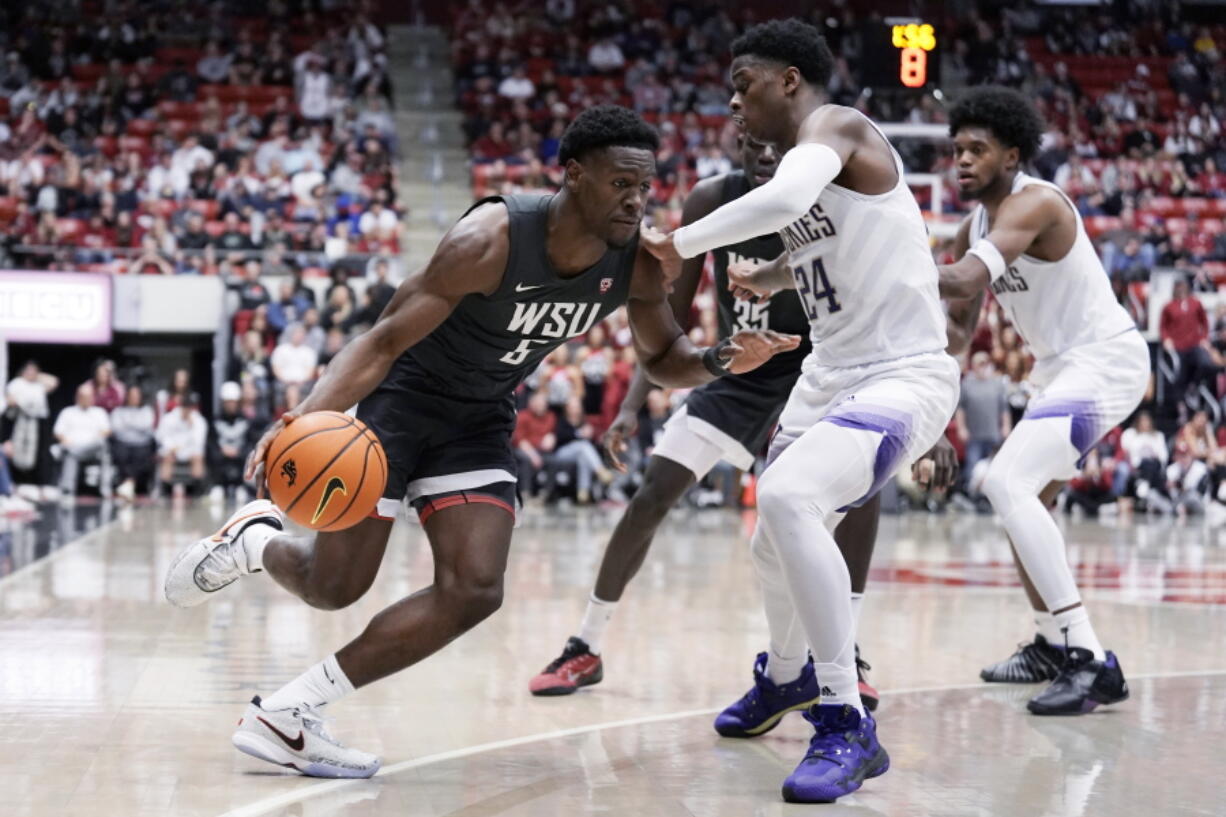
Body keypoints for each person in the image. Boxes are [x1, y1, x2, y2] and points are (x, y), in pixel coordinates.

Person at [162, 106, 798, 779]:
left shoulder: (636, 263)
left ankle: (288, 713)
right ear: (575, 175)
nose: (636, 200)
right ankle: (253, 542)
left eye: (645, 186)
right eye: (620, 184)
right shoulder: (491, 238)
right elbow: (382, 339)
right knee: (334, 585)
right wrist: (303, 419)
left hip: (480, 416)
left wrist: (724, 357)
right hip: (403, 403)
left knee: (476, 587)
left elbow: (666, 357)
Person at [638, 20, 959, 802]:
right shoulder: (808, 166)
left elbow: (785, 198)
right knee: (768, 544)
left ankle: (846, 719)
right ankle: (783, 677)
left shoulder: (837, 125)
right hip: (827, 376)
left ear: (789, 79)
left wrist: (680, 243)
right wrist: (773, 274)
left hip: (900, 374)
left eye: (743, 85)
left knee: (788, 498)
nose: (734, 104)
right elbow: (828, 231)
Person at [530, 134, 899, 718]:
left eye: (771, 140)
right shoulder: (713, 199)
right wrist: (631, 406)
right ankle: (586, 644)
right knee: (652, 494)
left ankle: (846, 652)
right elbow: (670, 318)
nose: (762, 148)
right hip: (734, 373)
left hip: (809, 378)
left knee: (857, 498)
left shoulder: (827, 199)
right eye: (749, 138)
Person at [937, 86, 1148, 715]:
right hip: (1058, 372)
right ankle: (1052, 644)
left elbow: (970, 277)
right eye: (957, 150)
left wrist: (871, 265)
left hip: (1105, 361)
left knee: (1007, 482)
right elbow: (955, 331)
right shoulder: (969, 228)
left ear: (1012, 154)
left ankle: (1089, 658)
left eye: (978, 149)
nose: (963, 161)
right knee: (1023, 502)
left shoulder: (1037, 204)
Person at [53, 383, 112, 500]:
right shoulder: (67, 412)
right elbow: (57, 432)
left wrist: (93, 439)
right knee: (70, 452)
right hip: (72, 446)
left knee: (102, 445)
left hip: (92, 448)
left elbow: (107, 431)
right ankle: (68, 489)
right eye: (83, 396)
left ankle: (105, 489)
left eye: (89, 396)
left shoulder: (99, 412)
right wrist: (66, 441)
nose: (86, 399)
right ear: (77, 397)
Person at [208, 381, 254, 504]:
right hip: (221, 465)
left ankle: (241, 486)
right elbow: (211, 445)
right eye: (228, 402)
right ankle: (218, 486)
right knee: (216, 499)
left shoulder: (246, 422)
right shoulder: (215, 422)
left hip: (240, 465)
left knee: (241, 499)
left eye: (233, 402)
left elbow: (250, 444)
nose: (231, 405)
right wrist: (222, 451)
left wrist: (239, 452)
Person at [156, 393, 208, 499]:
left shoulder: (198, 420)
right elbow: (162, 436)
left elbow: (199, 441)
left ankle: (197, 493)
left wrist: (191, 425)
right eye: (185, 406)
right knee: (167, 457)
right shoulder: (169, 418)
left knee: (198, 457)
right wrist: (171, 448)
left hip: (190, 451)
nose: (187, 410)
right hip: (172, 450)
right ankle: (165, 492)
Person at [110, 384, 157, 501]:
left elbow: (146, 426)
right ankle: (129, 484)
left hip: (142, 443)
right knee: (121, 454)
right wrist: (136, 426)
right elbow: (116, 428)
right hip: (123, 441)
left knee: (141, 455)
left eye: (137, 395)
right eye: (132, 395)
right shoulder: (118, 411)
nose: (134, 398)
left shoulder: (146, 410)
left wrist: (128, 424)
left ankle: (128, 484)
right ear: (127, 396)